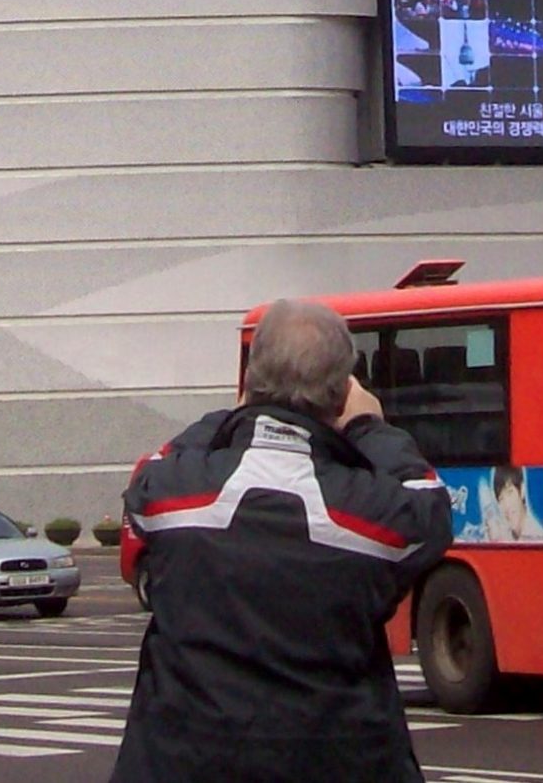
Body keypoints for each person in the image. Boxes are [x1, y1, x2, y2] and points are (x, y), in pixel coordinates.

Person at [117, 299, 453, 783]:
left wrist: (231, 416)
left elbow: (153, 466)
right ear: (339, 395)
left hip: (183, 762)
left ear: (249, 382)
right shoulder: (369, 512)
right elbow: (430, 506)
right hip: (336, 760)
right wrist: (368, 426)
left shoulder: (173, 493)